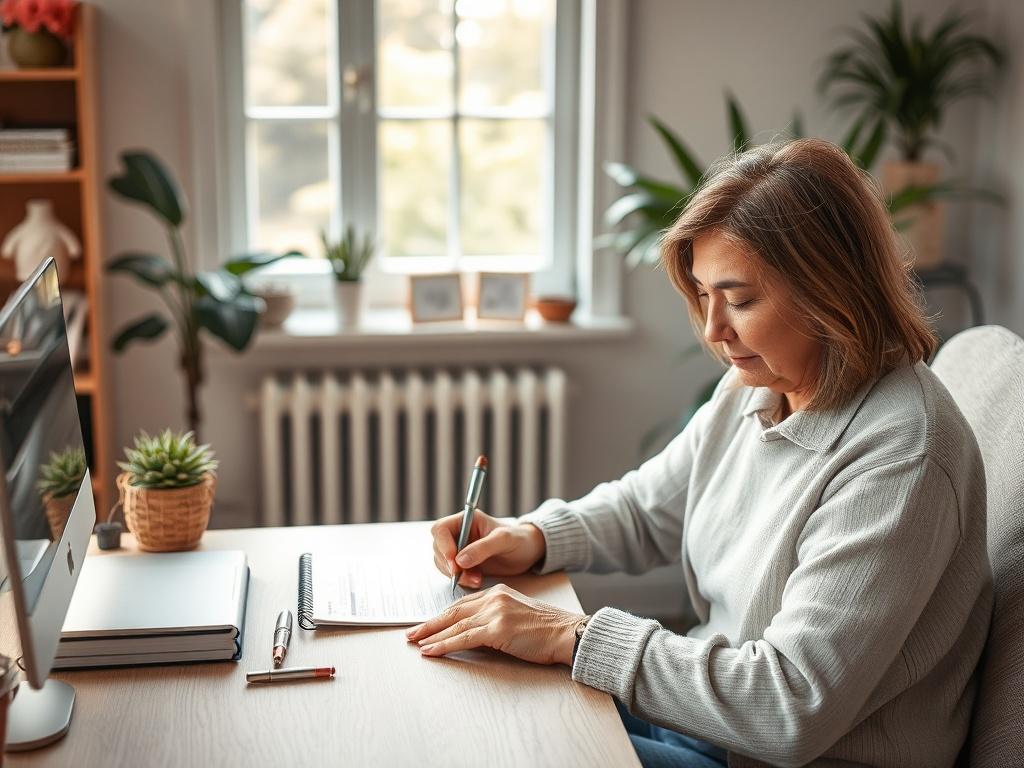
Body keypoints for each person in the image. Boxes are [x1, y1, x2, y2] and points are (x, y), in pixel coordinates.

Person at [405, 139, 992, 767]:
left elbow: (790, 704)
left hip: (776, 754)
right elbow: (649, 508)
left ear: (832, 291)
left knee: (513, 750)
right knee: (473, 706)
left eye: (739, 301)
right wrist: (533, 536)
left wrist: (572, 636)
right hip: (709, 726)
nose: (714, 330)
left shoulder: (900, 456)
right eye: (704, 296)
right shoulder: (759, 386)